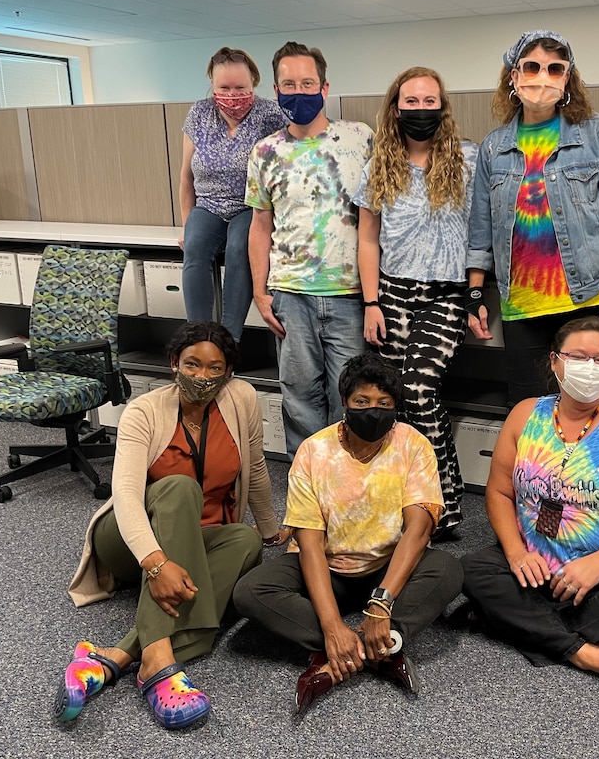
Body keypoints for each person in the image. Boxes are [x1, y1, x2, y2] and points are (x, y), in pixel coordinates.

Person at [60, 322, 287, 729]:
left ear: (229, 373)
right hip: (131, 543)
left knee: (246, 540)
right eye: (192, 364)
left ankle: (113, 658)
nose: (202, 376)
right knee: (179, 488)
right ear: (173, 364)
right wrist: (156, 563)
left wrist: (270, 529)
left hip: (196, 542)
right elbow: (126, 496)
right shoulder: (143, 411)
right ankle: (159, 661)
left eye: (214, 368)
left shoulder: (242, 399)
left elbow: (255, 466)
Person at [232, 351, 463, 717]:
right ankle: (377, 650)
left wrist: (382, 603)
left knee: (448, 569)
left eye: (384, 403)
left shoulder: (412, 444)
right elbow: (308, 544)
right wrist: (332, 625)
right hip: (327, 565)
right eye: (362, 401)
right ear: (344, 401)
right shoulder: (314, 451)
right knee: (251, 591)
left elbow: (418, 530)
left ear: (396, 406)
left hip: (389, 566)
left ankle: (353, 649)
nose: (373, 410)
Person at [459, 317, 599, 691]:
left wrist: (598, 564)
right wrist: (514, 553)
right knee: (471, 570)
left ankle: (508, 620)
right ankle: (582, 652)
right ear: (554, 362)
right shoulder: (526, 414)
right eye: (577, 357)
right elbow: (498, 493)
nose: (590, 368)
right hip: (536, 561)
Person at [466, 29, 599, 405]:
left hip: (584, 300)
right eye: (531, 67)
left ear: (567, 79)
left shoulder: (596, 134)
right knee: (529, 413)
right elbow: (480, 230)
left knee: (590, 408)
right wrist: (476, 293)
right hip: (522, 307)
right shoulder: (494, 147)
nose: (541, 76)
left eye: (554, 68)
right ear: (514, 77)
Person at [354, 66, 479, 536]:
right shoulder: (378, 165)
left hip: (445, 295)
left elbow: (481, 234)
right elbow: (368, 240)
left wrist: (475, 295)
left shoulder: (468, 160)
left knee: (421, 392)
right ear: (396, 107)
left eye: (430, 102)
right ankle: (403, 502)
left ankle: (443, 505)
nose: (420, 110)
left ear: (442, 107)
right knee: (395, 400)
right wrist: (371, 303)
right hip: (391, 294)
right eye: (412, 101)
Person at [247, 41, 373, 458]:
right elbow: (260, 226)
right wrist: (260, 293)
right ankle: (308, 491)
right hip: (291, 293)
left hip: (349, 294)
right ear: (276, 89)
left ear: (324, 86)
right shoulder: (265, 152)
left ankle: (350, 485)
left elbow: (378, 219)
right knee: (299, 396)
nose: (298, 91)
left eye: (307, 82)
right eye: (288, 84)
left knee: (351, 395)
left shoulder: (359, 139)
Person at [180, 48, 287, 341]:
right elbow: (185, 177)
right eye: (224, 87)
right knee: (195, 248)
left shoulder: (271, 114)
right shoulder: (199, 113)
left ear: (253, 82)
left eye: (240, 87)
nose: (232, 94)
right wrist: (187, 223)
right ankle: (196, 339)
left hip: (250, 205)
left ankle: (228, 342)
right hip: (208, 205)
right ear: (212, 85)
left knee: (241, 248)